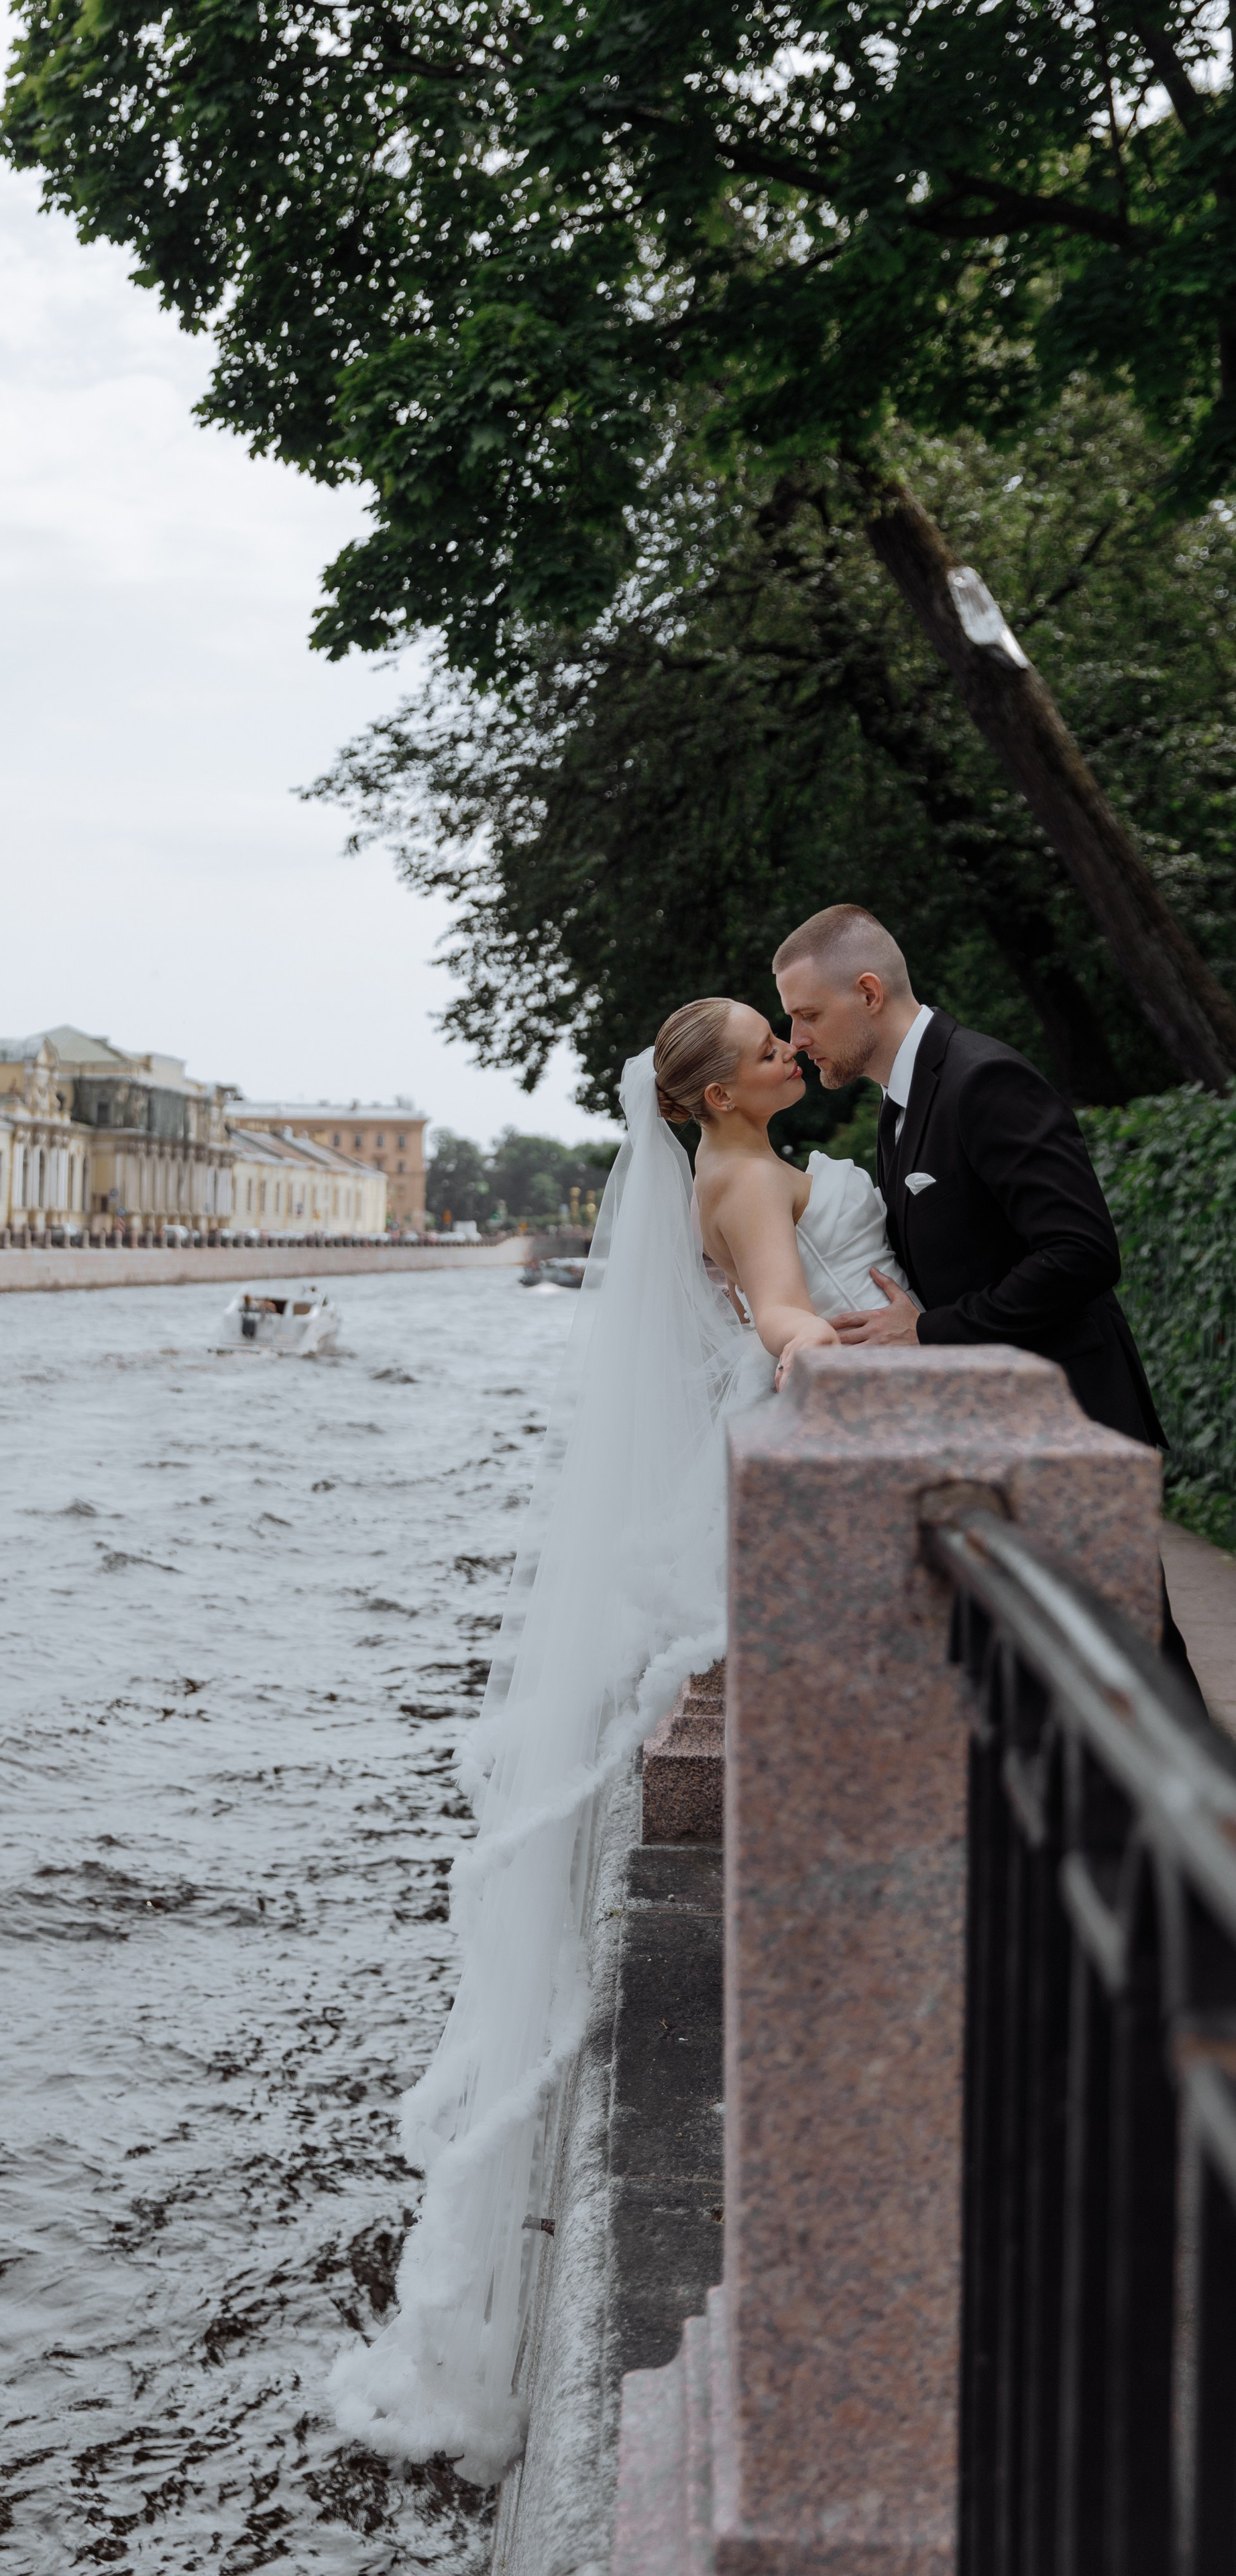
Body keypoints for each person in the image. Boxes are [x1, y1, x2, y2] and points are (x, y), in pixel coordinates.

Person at [329, 994, 909, 2483]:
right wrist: (821, 1354)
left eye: (788, 1039)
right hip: (792, 1415)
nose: (791, 1053)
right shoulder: (750, 1180)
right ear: (718, 1097)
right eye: (764, 1050)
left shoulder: (732, 1164)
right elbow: (779, 1300)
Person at [773, 906, 1195, 1680]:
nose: (796, 1039)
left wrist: (930, 1332)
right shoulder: (898, 1106)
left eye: (805, 1015)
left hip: (1070, 1424)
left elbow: (1081, 1253)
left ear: (867, 992)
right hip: (997, 1432)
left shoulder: (982, 1077)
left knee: (1137, 1673)